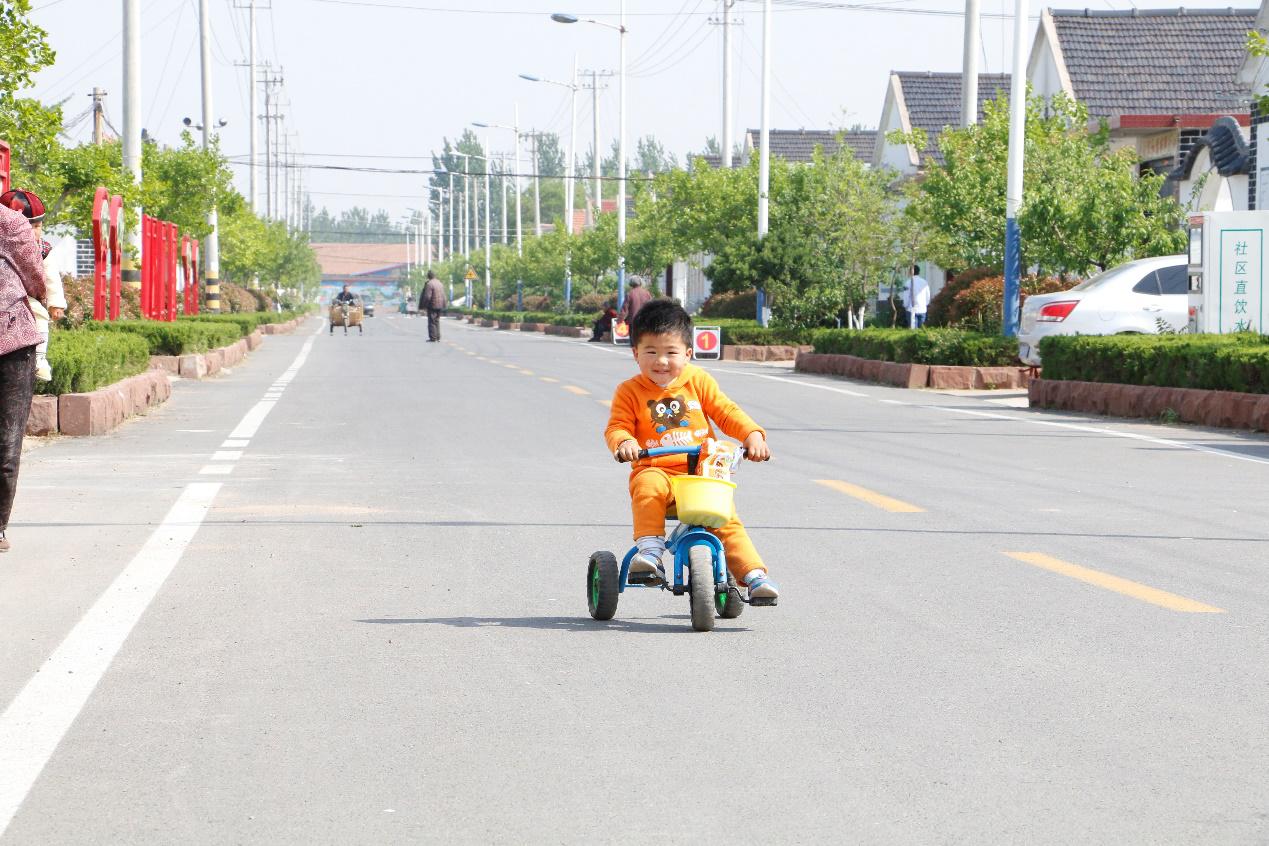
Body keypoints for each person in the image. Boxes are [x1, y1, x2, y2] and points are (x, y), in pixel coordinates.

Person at [604, 299, 778, 602]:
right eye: (651, 352)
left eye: (671, 353)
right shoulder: (629, 391)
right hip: (655, 469)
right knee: (647, 486)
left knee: (727, 520)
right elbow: (616, 426)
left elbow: (726, 412)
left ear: (688, 353)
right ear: (635, 354)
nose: (661, 361)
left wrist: (752, 435)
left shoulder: (698, 381)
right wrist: (624, 442)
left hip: (701, 472)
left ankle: (753, 577)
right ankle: (650, 553)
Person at [0, 200, 49, 553]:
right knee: (7, 440)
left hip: (11, 344)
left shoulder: (12, 223)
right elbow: (36, 281)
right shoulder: (13, 224)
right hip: (13, 341)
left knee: (7, 441)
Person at [1, 190, 64, 381]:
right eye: (30, 227)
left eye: (38, 226)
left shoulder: (43, 249)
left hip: (27, 298)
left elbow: (51, 278)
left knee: (39, 315)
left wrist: (55, 303)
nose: (35, 232)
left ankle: (39, 358)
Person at [419, 270, 445, 342]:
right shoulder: (440, 283)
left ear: (428, 276)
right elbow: (443, 295)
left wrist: (424, 305)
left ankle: (433, 338)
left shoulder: (429, 284)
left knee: (432, 321)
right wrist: (444, 304)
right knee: (437, 321)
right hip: (440, 305)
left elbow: (427, 296)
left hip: (433, 305)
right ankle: (437, 337)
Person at [905, 265, 930, 329]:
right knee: (922, 330)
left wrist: (905, 306)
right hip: (922, 309)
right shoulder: (925, 282)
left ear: (911, 272)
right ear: (919, 272)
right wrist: (925, 304)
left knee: (913, 331)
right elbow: (928, 296)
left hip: (911, 309)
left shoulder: (908, 282)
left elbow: (906, 296)